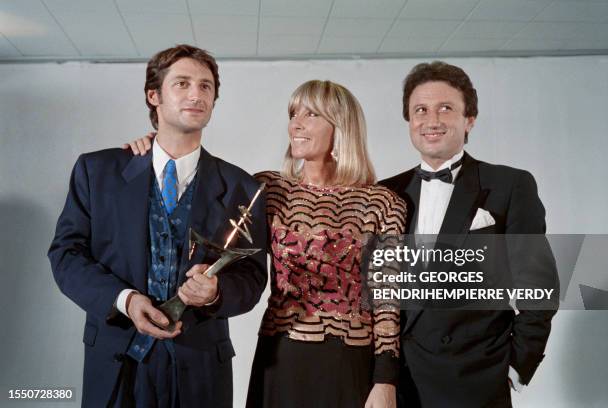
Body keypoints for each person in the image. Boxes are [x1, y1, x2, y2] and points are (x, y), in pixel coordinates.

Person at [126, 80, 407, 408]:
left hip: (349, 359)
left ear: (341, 126)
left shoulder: (383, 202)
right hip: (281, 355)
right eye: (293, 113)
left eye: (311, 114)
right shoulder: (268, 188)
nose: (295, 124)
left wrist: (385, 380)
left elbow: (388, 300)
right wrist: (158, 151)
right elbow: (202, 186)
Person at [48, 44, 267, 407]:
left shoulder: (243, 187)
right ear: (154, 96)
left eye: (206, 86)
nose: (196, 94)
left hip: (199, 372)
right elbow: (66, 256)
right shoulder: (97, 171)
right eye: (182, 83)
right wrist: (126, 300)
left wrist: (215, 293)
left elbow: (253, 278)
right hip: (116, 361)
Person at [379, 61, 559, 407]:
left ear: (469, 120)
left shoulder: (509, 185)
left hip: (474, 379)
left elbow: (539, 284)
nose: (432, 120)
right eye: (421, 110)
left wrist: (515, 365)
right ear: (410, 121)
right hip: (400, 382)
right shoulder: (386, 193)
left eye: (446, 108)